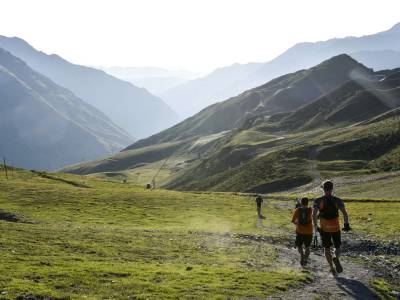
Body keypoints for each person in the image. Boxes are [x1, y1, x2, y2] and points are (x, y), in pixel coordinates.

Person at [313, 180, 351, 274]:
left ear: (323, 189)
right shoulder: (337, 200)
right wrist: (346, 224)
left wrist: (316, 226)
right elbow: (345, 214)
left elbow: (314, 215)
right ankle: (336, 257)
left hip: (324, 228)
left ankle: (331, 267)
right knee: (337, 246)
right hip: (335, 227)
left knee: (326, 248)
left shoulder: (318, 200)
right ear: (332, 188)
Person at [292, 197, 313, 266]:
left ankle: (302, 256)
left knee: (299, 246)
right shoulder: (311, 210)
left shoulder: (298, 210)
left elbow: (293, 220)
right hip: (309, 231)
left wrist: (297, 224)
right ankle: (306, 260)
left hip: (300, 231)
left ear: (301, 202)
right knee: (307, 247)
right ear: (308, 202)